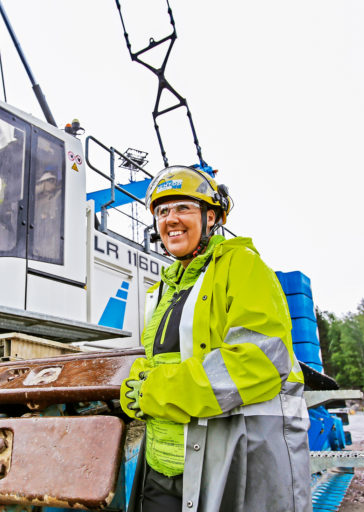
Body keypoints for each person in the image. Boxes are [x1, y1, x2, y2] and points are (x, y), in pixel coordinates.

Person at [120, 165, 312, 512]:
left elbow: (259, 361)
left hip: (223, 459)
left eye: (183, 208)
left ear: (211, 218)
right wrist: (136, 384)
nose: (171, 219)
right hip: (161, 465)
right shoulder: (161, 289)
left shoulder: (242, 266)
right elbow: (160, 360)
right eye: (163, 212)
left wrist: (157, 390)